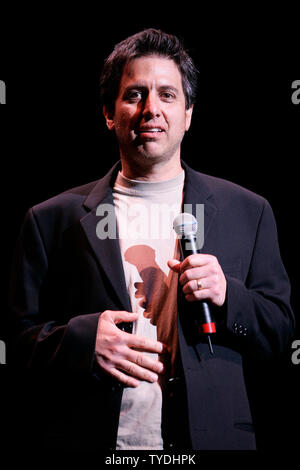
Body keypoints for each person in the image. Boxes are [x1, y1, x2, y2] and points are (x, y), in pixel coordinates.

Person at [9, 28, 294, 451]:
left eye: (167, 95)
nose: (151, 110)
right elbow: (15, 342)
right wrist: (84, 343)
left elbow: (281, 332)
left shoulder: (248, 212)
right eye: (134, 95)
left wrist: (227, 295)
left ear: (188, 113)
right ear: (109, 113)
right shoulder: (51, 219)